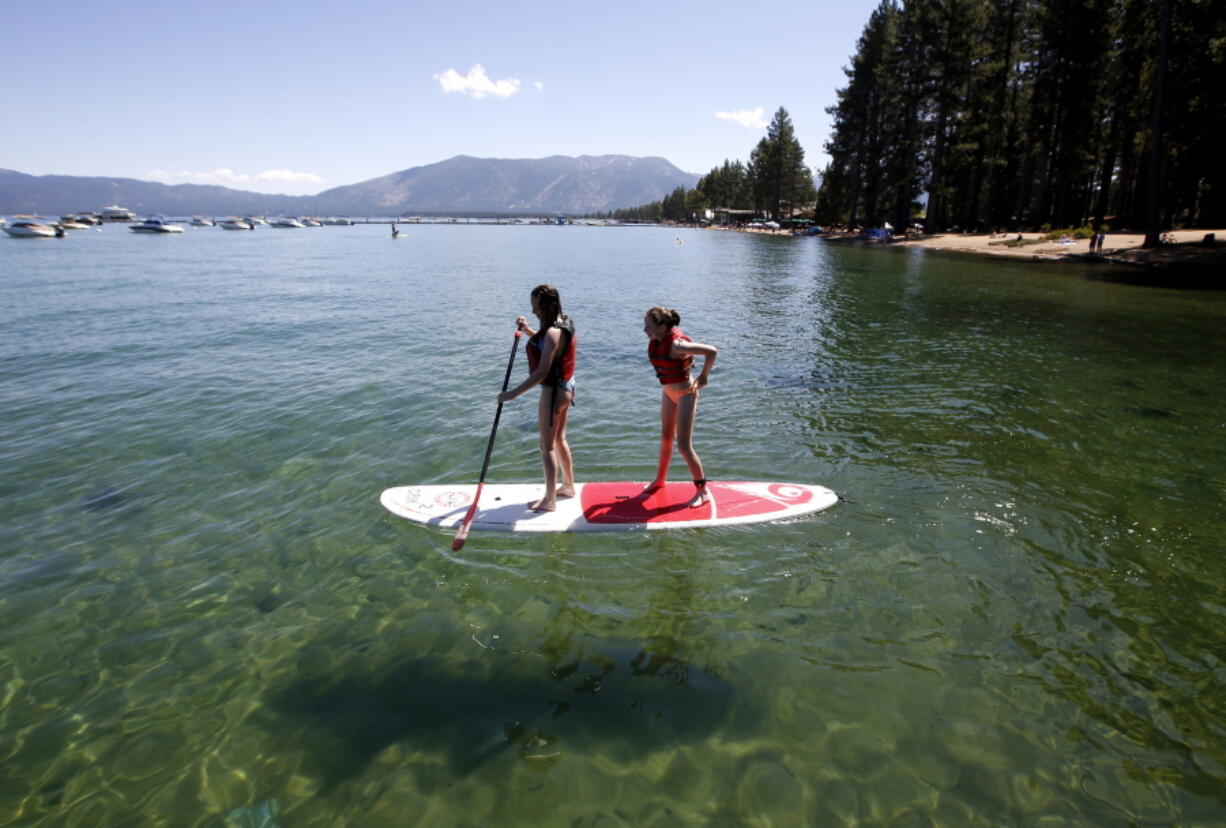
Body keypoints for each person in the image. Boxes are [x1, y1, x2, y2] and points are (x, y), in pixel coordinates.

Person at [497, 285, 577, 511]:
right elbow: (551, 346)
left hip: (553, 393)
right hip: (567, 387)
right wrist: (528, 330)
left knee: (546, 446)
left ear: (548, 306)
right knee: (560, 439)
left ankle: (550, 501)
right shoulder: (564, 322)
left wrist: (511, 394)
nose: (534, 312)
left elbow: (542, 371)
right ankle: (568, 487)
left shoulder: (552, 332)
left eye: (537, 308)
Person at [642, 306, 718, 506]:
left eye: (648, 326)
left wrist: (703, 377)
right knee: (666, 437)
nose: (644, 330)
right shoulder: (658, 340)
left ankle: (702, 491)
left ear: (664, 327)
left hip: (686, 394)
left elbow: (711, 351)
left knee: (684, 445)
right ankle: (659, 480)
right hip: (668, 392)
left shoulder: (677, 345)